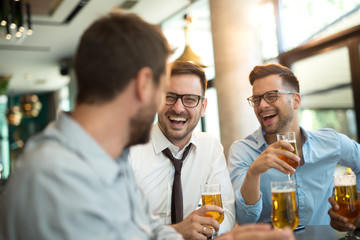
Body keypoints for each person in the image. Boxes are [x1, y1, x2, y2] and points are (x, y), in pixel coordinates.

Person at [0, 11, 295, 240]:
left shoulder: (105, 159)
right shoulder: (57, 177)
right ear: (144, 85)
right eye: (163, 90)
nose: (174, 107)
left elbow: (146, 231)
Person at [228, 63, 360, 226]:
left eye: (271, 96)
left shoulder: (332, 142)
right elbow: (244, 219)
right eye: (256, 99)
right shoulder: (243, 151)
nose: (262, 105)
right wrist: (254, 172)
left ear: (296, 101)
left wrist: (355, 204)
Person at [129, 61, 235, 239]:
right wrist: (176, 232)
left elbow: (227, 213)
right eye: (169, 97)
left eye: (190, 99)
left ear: (203, 106)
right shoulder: (129, 150)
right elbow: (113, 227)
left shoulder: (210, 148)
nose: (178, 108)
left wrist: (203, 229)